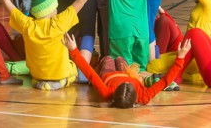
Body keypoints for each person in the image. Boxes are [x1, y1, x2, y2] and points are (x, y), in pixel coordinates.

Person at [62, 32, 191, 108]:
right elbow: (165, 81)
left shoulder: (106, 92)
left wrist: (73, 50)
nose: (127, 82)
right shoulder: (144, 97)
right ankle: (115, 61)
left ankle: (101, 61)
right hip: (127, 72)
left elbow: (90, 73)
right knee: (119, 58)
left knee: (108, 58)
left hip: (109, 74)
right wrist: (180, 57)